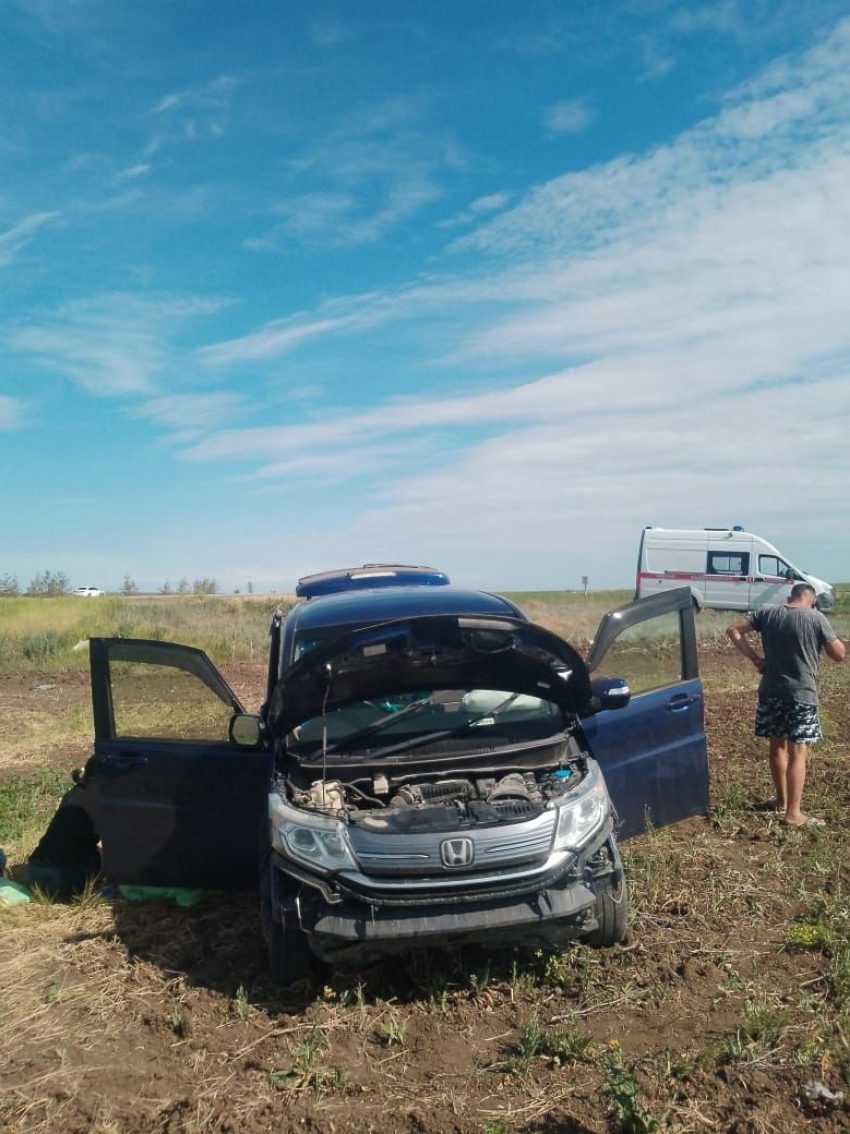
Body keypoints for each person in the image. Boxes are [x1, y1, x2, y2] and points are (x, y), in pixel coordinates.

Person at [726, 584, 845, 828]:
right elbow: (838, 654)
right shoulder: (815, 617)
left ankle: (781, 800)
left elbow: (733, 630)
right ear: (812, 601)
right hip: (801, 693)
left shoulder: (768, 612)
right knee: (798, 752)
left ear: (790, 597)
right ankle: (793, 813)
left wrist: (755, 658)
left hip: (770, 691)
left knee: (777, 746)